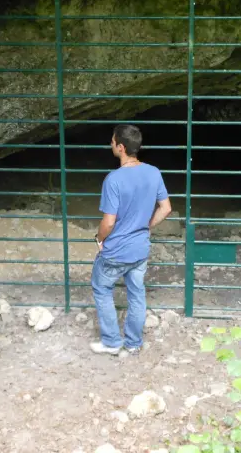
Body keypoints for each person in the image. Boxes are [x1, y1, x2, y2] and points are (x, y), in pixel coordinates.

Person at [91, 124, 172, 356]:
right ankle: (134, 343)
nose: (110, 144)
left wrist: (99, 239)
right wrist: (146, 226)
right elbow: (166, 208)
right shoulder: (154, 172)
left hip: (116, 250)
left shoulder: (113, 180)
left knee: (101, 287)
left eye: (112, 141)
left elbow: (108, 222)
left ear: (121, 147)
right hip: (140, 249)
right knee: (137, 293)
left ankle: (111, 341)